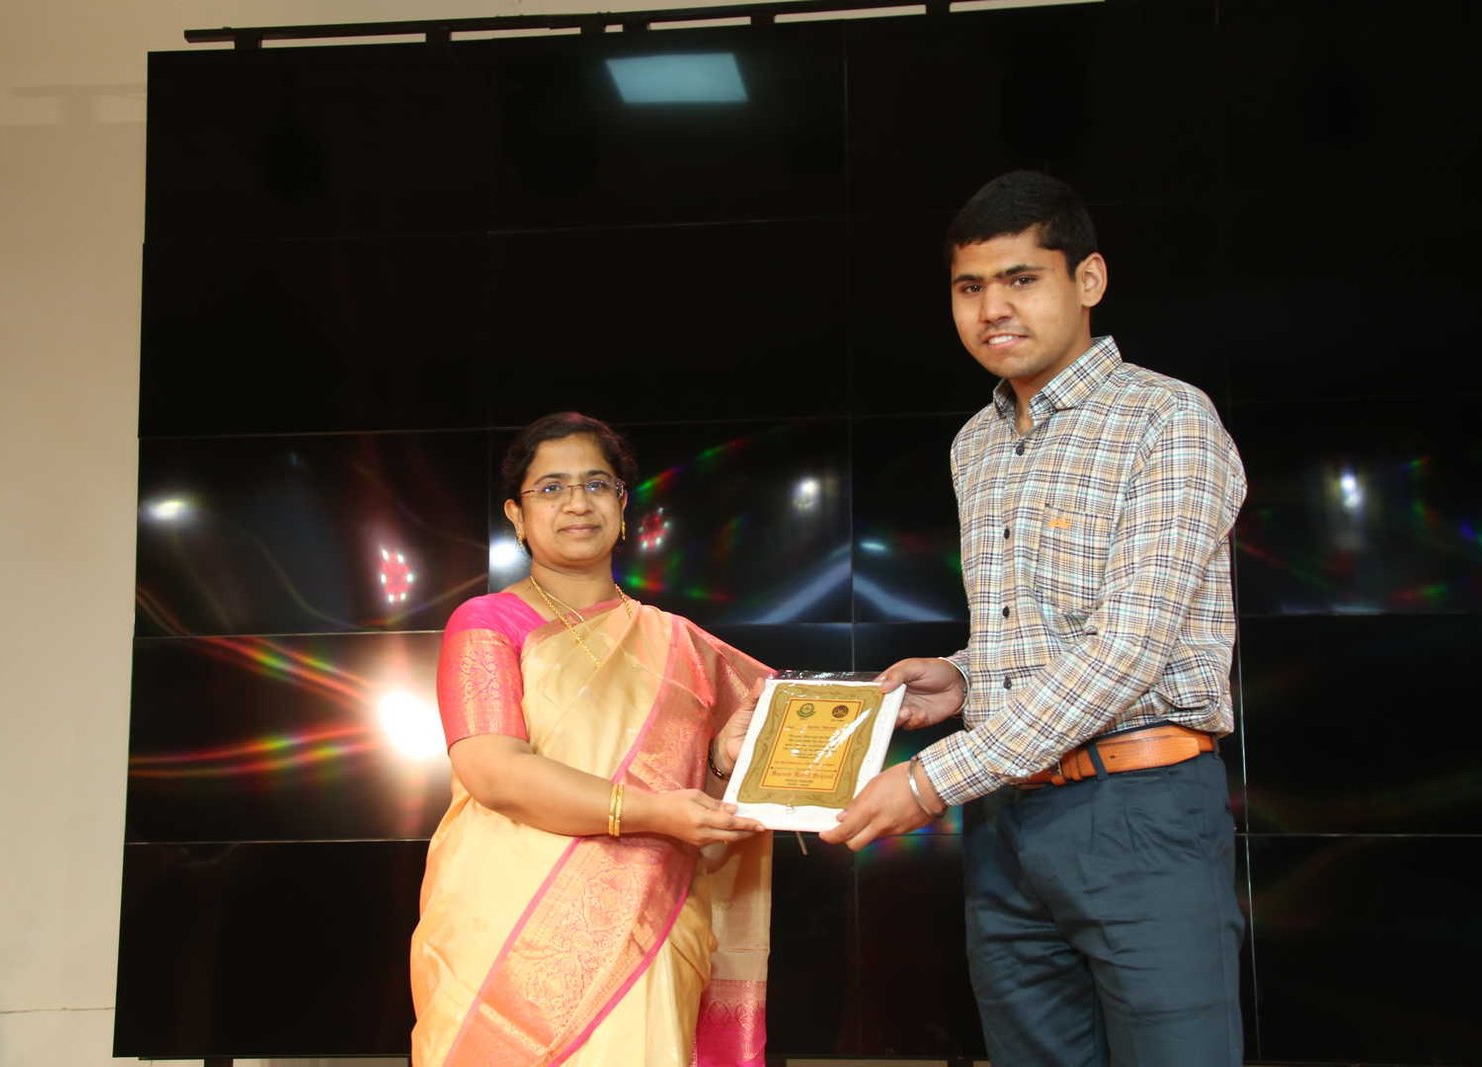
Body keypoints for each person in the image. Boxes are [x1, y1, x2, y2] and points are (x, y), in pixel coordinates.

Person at [822, 171, 1248, 1066]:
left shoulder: (1167, 417)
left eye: (1022, 279)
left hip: (1141, 811)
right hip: (1008, 822)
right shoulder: (975, 443)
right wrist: (965, 675)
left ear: (1088, 279)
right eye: (969, 287)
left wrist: (929, 781)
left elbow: (1127, 647)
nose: (993, 309)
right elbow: (1036, 630)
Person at [410, 412, 774, 1066]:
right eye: (551, 488)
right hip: (505, 931)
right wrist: (654, 811)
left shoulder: (681, 645)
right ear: (517, 515)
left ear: (623, 505)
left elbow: (702, 796)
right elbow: (494, 771)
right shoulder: (486, 622)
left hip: (648, 927)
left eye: (596, 484)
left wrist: (721, 761)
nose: (577, 502)